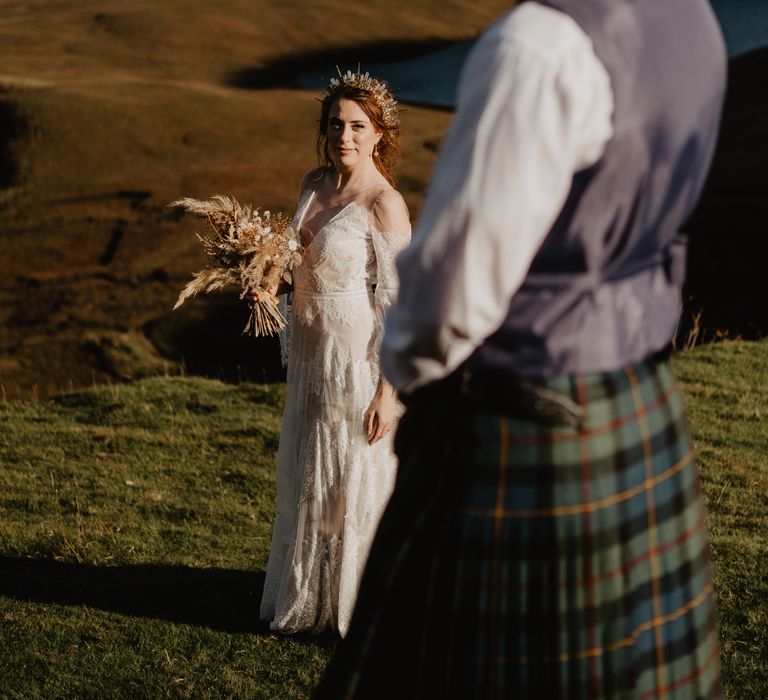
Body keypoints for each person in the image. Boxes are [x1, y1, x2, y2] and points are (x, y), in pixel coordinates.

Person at [315, 1, 726, 697]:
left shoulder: (534, 48)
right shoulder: (691, 20)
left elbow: (450, 295)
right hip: (639, 395)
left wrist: (410, 379)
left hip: (521, 412)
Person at [259, 69, 411, 637]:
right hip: (310, 358)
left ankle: (361, 605)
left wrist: (387, 393)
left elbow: (401, 303)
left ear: (378, 134)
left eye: (357, 126)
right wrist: (264, 277)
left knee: (353, 478)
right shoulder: (313, 183)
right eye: (336, 125)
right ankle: (312, 595)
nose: (344, 136)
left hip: (355, 364)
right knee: (310, 474)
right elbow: (289, 254)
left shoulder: (384, 203)